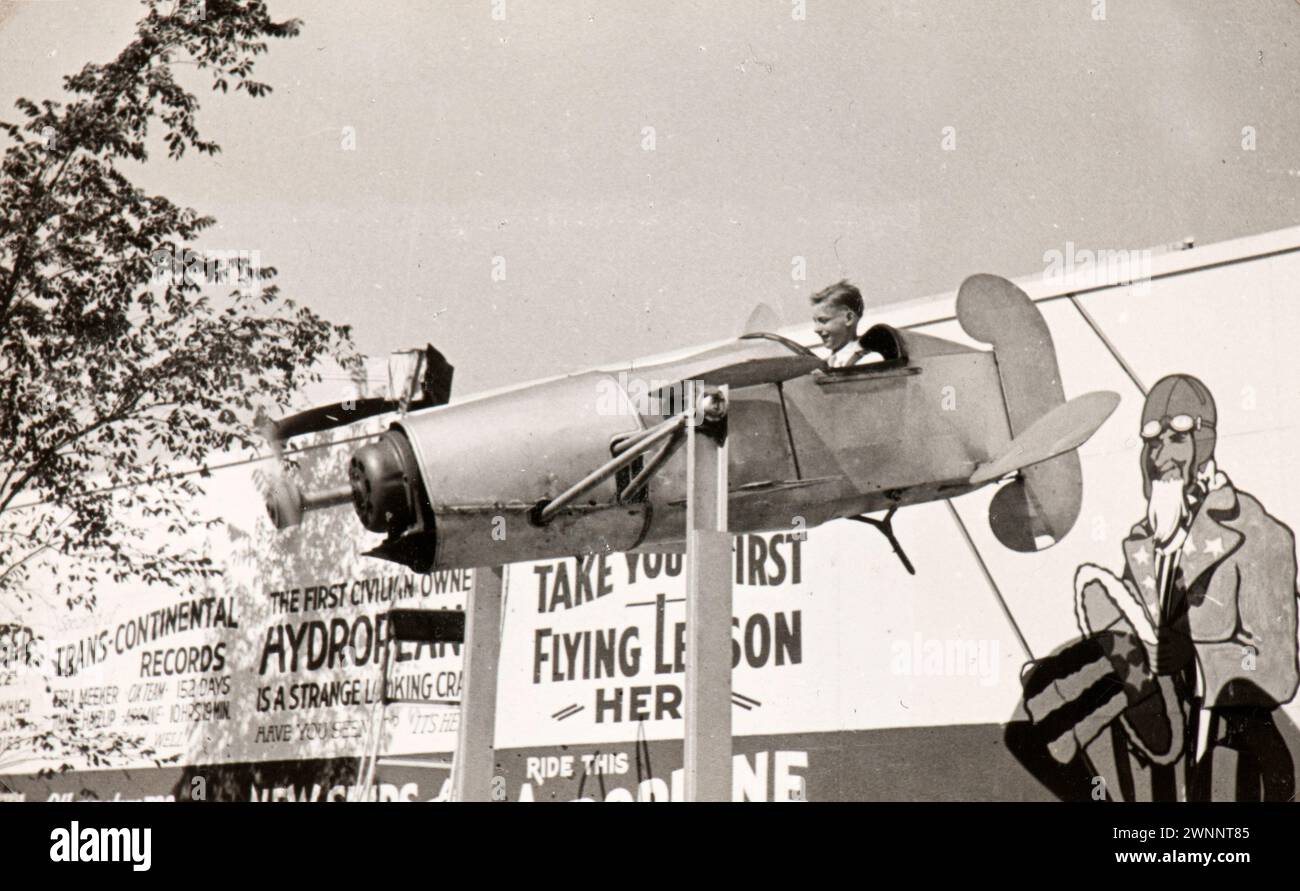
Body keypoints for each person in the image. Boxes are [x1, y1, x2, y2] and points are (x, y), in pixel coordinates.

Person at [1007, 374, 1300, 800]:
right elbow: (1130, 636)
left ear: (1204, 445)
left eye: (1175, 439)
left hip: (1229, 746)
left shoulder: (1258, 534)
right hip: (1156, 739)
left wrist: (1193, 653)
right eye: (1151, 442)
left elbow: (1275, 668)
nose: (1159, 454)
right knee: (1031, 722)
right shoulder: (1144, 543)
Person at [809, 280, 880, 368]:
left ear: (849, 318)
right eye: (815, 321)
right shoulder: (825, 365)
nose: (816, 329)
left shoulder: (869, 360)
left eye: (823, 320)